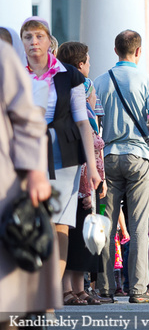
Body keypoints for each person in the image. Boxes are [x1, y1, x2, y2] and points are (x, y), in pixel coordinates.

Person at [20, 19, 100, 286]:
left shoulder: (69, 75)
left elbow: (82, 122)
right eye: (28, 37)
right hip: (27, 156)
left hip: (64, 157)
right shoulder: (17, 76)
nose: (34, 42)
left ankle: (51, 295)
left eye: (39, 36)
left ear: (49, 41)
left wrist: (93, 168)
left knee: (59, 224)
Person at [94, 30, 149, 303]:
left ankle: (105, 289)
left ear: (115, 50)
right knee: (137, 226)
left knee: (107, 226)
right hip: (138, 156)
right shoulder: (147, 80)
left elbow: (95, 124)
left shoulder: (100, 81)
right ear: (139, 51)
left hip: (109, 156)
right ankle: (138, 289)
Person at [0, 36, 61, 324]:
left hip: (4, 184)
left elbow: (27, 119)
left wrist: (37, 173)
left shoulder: (2, 56)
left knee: (12, 301)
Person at [56, 41, 108, 305]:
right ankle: (67, 289)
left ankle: (79, 288)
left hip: (87, 175)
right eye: (88, 60)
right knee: (70, 231)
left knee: (82, 236)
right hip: (75, 174)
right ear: (79, 66)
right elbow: (84, 137)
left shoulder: (86, 107)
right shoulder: (77, 101)